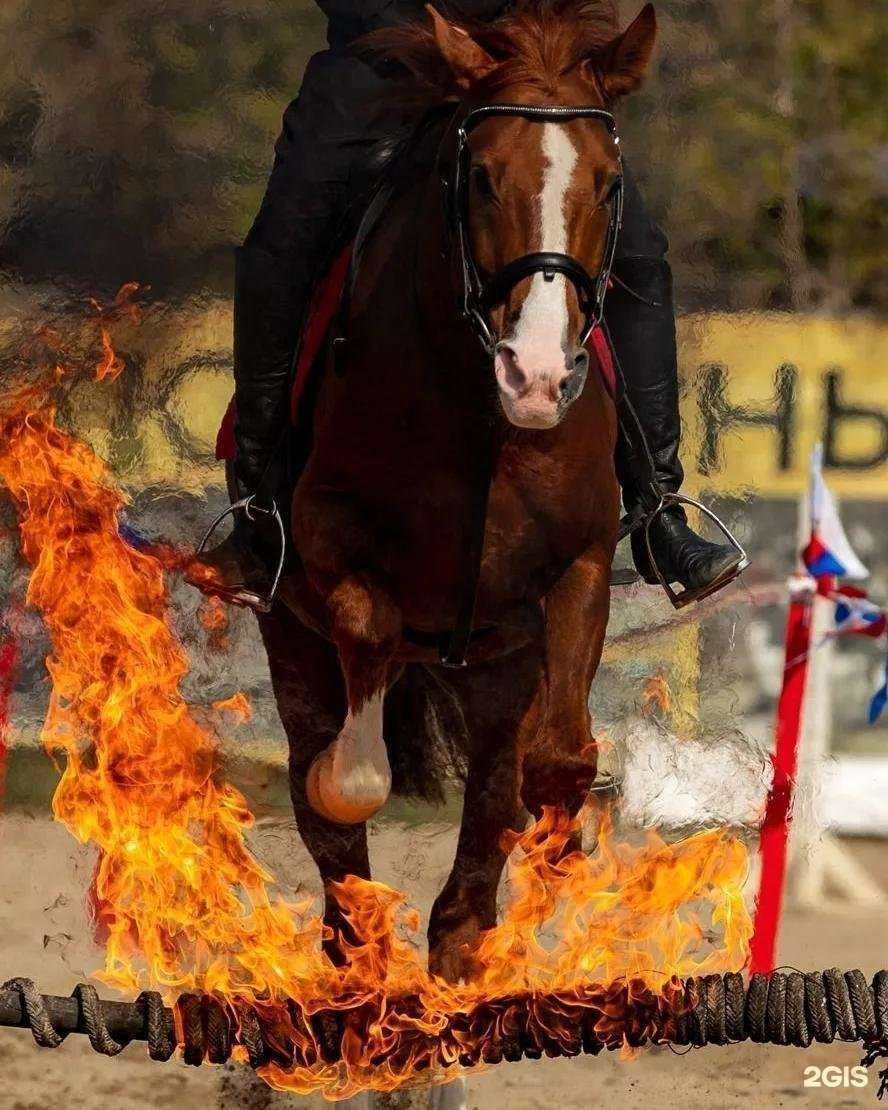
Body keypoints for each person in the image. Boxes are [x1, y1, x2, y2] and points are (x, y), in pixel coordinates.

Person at [198, 0, 744, 607]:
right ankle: (260, 514)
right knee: (281, 244)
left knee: (638, 253)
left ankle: (657, 511)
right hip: (385, 59)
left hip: (531, 71)